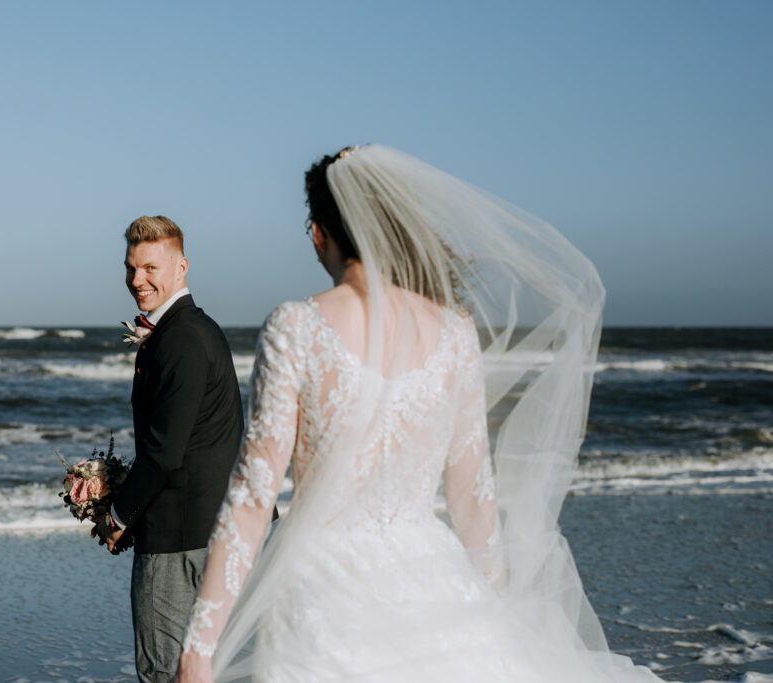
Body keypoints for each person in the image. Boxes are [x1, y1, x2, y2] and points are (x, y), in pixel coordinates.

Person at [174, 145, 662, 681]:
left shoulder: (297, 327)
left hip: (322, 592)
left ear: (318, 234)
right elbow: (474, 499)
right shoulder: (454, 334)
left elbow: (251, 496)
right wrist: (498, 615)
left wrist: (200, 645)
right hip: (435, 582)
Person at [92, 215, 244, 683]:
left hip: (179, 541)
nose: (137, 280)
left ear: (181, 267)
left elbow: (163, 453)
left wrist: (116, 516)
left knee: (164, 671)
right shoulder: (199, 330)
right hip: (220, 530)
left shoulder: (178, 340)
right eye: (131, 268)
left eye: (150, 268)